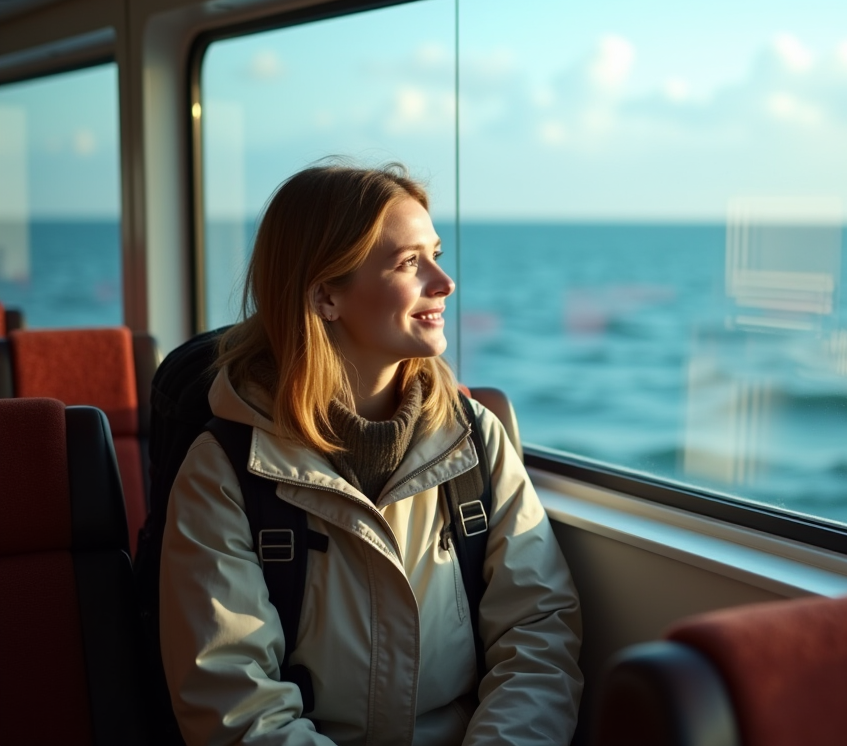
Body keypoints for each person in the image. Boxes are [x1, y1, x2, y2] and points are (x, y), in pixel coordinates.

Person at [159, 162, 583, 746]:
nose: (445, 282)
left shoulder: (477, 439)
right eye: (409, 262)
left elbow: (538, 637)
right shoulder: (224, 470)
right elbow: (237, 707)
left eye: (436, 254)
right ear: (326, 295)